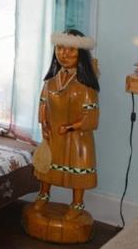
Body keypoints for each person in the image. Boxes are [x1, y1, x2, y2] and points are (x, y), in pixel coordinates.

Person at [32, 29, 100, 218]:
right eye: (60, 48)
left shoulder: (86, 86)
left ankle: (77, 203)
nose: (64, 54)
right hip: (53, 134)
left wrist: (70, 127)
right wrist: (44, 126)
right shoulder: (50, 82)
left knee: (77, 170)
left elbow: (91, 117)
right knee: (47, 165)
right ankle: (44, 194)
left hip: (78, 138)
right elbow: (43, 104)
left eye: (71, 50)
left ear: (81, 53)